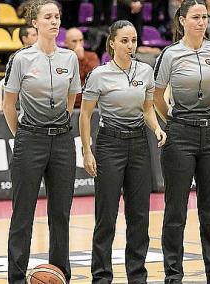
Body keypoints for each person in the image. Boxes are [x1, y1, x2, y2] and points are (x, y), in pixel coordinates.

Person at [79, 20, 166, 284]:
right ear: (112, 43)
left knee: (139, 215)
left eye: (134, 40)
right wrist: (87, 151)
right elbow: (84, 115)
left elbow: (148, 108)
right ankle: (102, 276)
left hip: (139, 143)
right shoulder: (99, 74)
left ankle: (137, 276)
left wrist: (157, 129)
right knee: (105, 215)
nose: (130, 45)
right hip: (109, 145)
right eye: (125, 40)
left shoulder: (145, 71)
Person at [3, 0, 81, 283]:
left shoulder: (69, 58)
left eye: (57, 17)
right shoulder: (22, 59)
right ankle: (16, 277)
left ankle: (61, 275)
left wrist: (56, 125)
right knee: (23, 212)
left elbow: (71, 100)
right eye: (48, 17)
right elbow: (9, 104)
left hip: (62, 140)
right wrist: (24, 135)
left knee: (60, 213)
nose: (54, 21)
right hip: (30, 139)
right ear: (34, 23)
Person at [153, 0, 210, 283]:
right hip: (180, 136)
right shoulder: (170, 54)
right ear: (182, 20)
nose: (201, 22)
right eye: (195, 17)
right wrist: (173, 120)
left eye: (205, 17)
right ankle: (173, 274)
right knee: (176, 211)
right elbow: (157, 96)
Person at [65, 27, 100, 108]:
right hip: (68, 103)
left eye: (81, 40)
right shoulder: (62, 58)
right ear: (66, 43)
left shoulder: (92, 56)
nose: (78, 44)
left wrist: (82, 59)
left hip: (88, 102)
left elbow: (94, 78)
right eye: (74, 41)